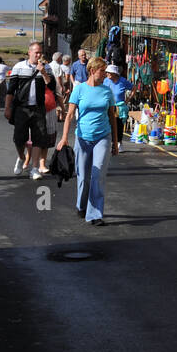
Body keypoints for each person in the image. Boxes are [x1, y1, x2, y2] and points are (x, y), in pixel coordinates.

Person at [56, 55, 118, 225]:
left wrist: (115, 142)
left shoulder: (106, 91)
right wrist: (64, 139)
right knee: (83, 177)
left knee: (97, 176)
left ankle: (95, 214)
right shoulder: (80, 90)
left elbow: (112, 117)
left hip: (102, 137)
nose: (105, 74)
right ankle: (81, 205)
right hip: (83, 138)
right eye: (102, 71)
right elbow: (69, 116)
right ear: (92, 71)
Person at [6, 41, 56, 180]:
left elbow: (52, 87)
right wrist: (7, 108)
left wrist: (44, 72)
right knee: (18, 138)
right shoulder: (19, 67)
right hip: (22, 108)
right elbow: (11, 90)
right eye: (36, 52)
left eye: (40, 52)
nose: (38, 55)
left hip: (39, 108)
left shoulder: (47, 68)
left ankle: (34, 168)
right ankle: (21, 157)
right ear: (29, 53)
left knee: (39, 138)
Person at [105, 63, 130, 149]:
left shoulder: (122, 81)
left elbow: (133, 88)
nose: (107, 74)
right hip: (108, 106)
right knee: (108, 124)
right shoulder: (106, 81)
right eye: (107, 72)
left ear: (114, 73)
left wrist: (127, 100)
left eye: (109, 72)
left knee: (118, 124)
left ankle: (119, 142)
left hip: (119, 107)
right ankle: (110, 142)